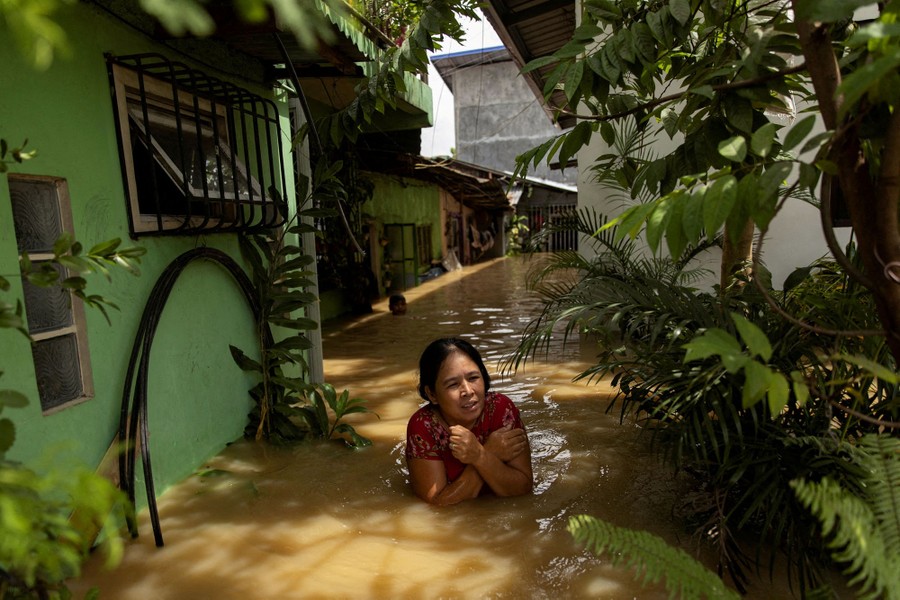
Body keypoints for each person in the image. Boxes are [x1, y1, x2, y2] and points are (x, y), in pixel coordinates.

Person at [405, 338, 533, 505]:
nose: (468, 391)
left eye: (473, 378)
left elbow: (523, 489)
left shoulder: (502, 410)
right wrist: (483, 455)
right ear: (432, 394)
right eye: (453, 384)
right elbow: (439, 506)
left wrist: (479, 456)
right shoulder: (423, 426)